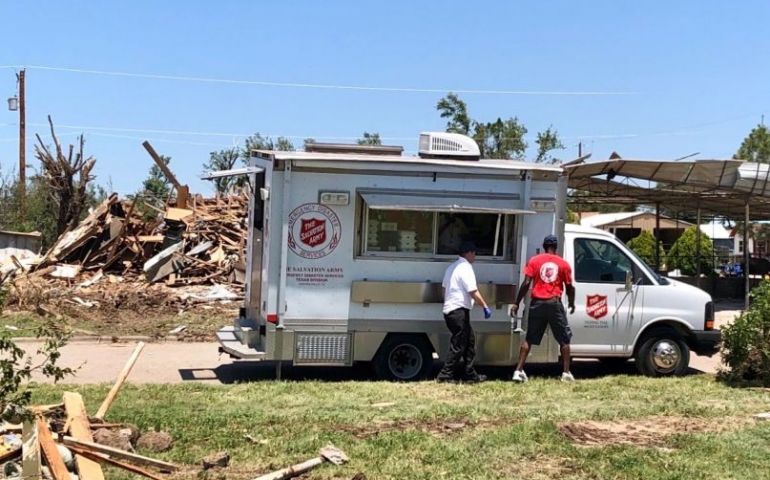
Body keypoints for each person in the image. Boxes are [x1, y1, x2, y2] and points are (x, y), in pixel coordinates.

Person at [510, 235, 576, 382]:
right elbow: (570, 287)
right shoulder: (563, 264)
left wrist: (517, 302)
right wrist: (571, 302)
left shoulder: (534, 260)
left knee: (529, 338)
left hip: (537, 303)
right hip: (554, 303)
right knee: (564, 339)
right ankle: (566, 373)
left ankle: (518, 371)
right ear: (556, 247)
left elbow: (526, 283)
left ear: (544, 245)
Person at [436, 241, 493, 383]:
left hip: (450, 310)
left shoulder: (451, 268)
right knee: (459, 344)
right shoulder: (465, 268)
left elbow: (444, 290)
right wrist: (485, 306)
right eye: (474, 253)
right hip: (458, 311)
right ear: (468, 253)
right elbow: (473, 291)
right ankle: (445, 375)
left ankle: (470, 374)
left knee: (469, 341)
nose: (475, 257)